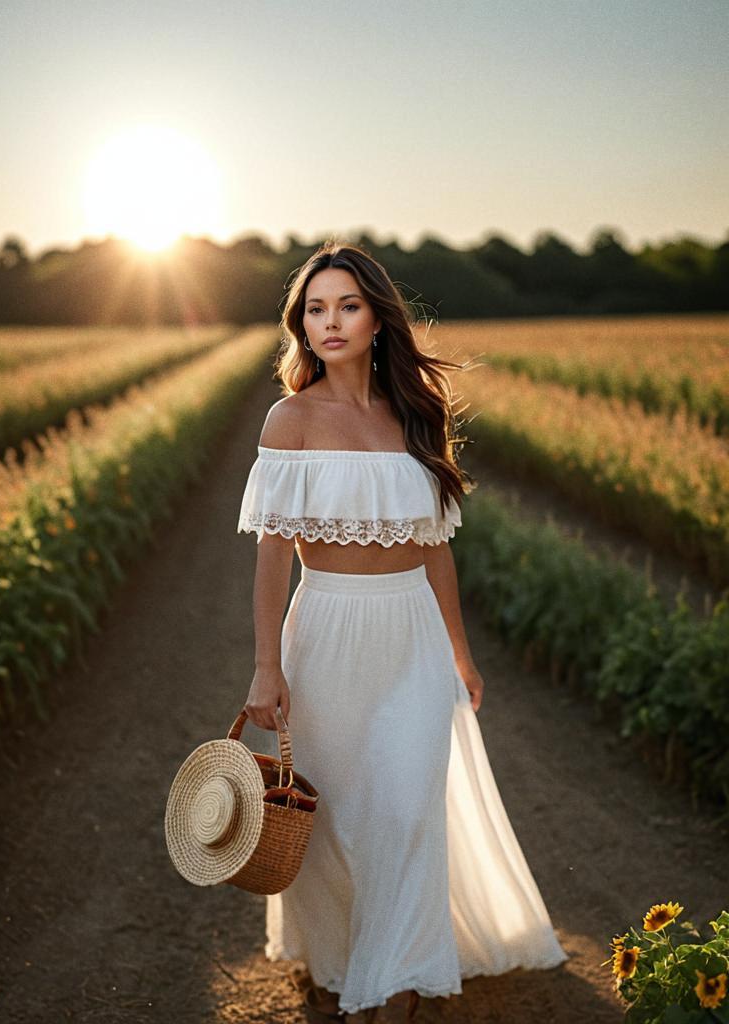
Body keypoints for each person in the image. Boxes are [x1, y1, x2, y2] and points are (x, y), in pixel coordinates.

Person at [236, 240, 568, 1020]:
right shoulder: (290, 420)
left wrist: (460, 652)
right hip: (324, 636)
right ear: (302, 325)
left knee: (406, 809)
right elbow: (271, 561)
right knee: (339, 816)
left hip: (412, 634)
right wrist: (264, 667)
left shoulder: (418, 414)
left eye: (347, 305)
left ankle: (397, 986)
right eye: (315, 309)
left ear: (378, 318)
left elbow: (434, 551)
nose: (331, 321)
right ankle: (338, 956)